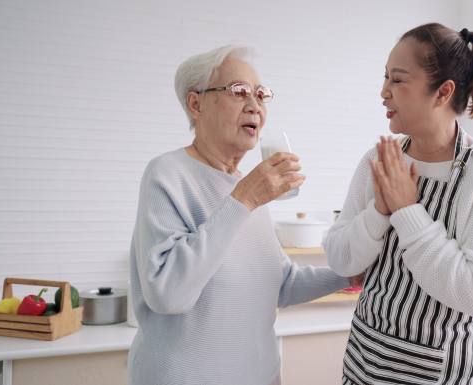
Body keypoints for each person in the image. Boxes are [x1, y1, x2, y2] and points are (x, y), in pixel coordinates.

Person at [128, 45, 350, 385]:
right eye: (239, 92)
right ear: (196, 103)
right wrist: (244, 199)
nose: (255, 106)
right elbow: (168, 294)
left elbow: (282, 284)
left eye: (261, 95)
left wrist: (350, 274)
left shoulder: (246, 188)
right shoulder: (169, 173)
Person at [324, 23, 473, 385]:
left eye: (397, 80)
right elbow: (341, 259)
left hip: (444, 372)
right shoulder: (379, 159)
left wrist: (406, 210)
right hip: (365, 364)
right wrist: (378, 212)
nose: (384, 92)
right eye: (385, 78)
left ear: (443, 92)